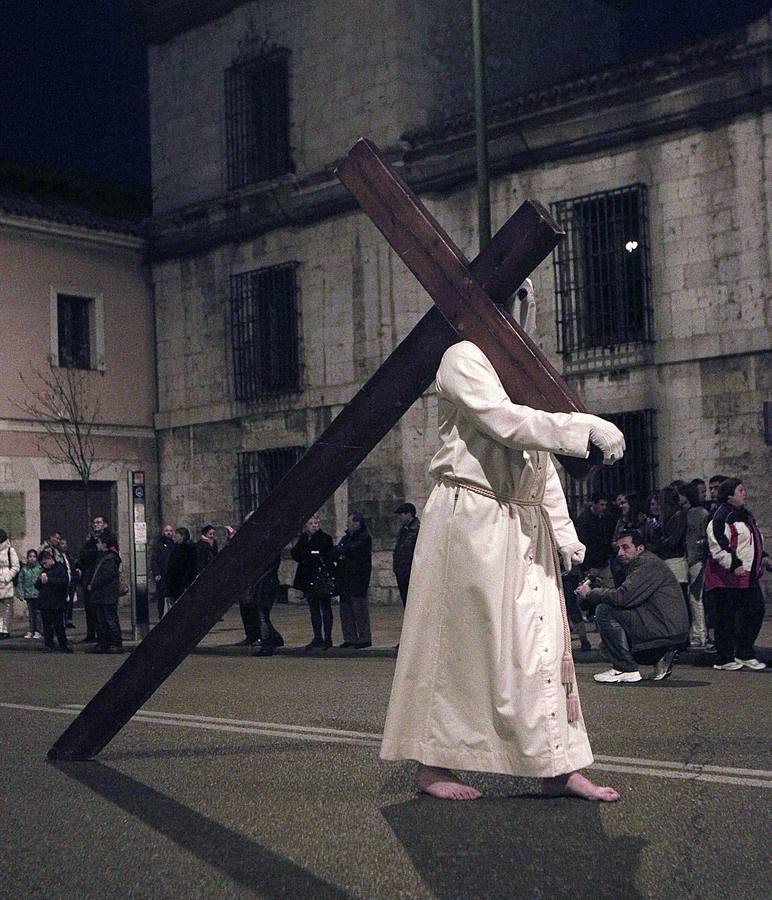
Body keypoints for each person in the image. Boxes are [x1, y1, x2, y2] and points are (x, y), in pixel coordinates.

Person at [380, 278, 626, 802]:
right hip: (472, 521)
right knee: (463, 645)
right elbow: (505, 424)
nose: (521, 310)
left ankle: (556, 766)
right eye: (513, 298)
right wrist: (581, 428)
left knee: (540, 647)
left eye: (526, 301)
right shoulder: (462, 357)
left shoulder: (519, 374)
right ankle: (432, 764)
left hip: (520, 524)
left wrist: (565, 534)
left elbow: (540, 467)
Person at [576, 530, 689, 683]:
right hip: (666, 627)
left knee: (605, 611)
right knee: (608, 633)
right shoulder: (644, 563)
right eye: (619, 548)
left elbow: (623, 597)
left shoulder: (647, 564)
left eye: (625, 547)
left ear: (640, 549)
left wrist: (591, 593)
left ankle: (625, 668)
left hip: (665, 629)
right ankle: (660, 659)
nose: (620, 553)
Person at [704, 479, 770, 671]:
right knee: (727, 617)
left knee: (755, 612)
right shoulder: (721, 516)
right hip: (726, 577)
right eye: (740, 490)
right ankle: (724, 657)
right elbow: (717, 544)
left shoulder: (746, 516)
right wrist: (734, 564)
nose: (745, 493)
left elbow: (752, 541)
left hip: (748, 575)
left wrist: (763, 558)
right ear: (730, 495)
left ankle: (744, 652)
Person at [292, 515, 336, 650]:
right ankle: (317, 637)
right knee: (313, 608)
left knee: (325, 607)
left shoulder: (325, 538)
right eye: (311, 523)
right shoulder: (304, 538)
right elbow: (296, 553)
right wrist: (309, 554)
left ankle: (327, 638)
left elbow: (322, 554)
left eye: (316, 523)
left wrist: (310, 554)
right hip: (308, 577)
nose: (314, 526)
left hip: (320, 576)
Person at [334, 512, 373, 649]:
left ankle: (364, 638)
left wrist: (342, 553)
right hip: (344, 578)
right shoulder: (346, 538)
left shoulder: (364, 538)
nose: (347, 525)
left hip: (358, 579)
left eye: (349, 522)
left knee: (359, 609)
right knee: (345, 609)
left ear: (357, 523)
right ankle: (350, 638)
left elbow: (350, 551)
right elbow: (338, 551)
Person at [678, 483, 710, 648]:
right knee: (690, 598)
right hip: (687, 558)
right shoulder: (683, 514)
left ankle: (700, 635)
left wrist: (700, 547)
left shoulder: (700, 514)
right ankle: (695, 634)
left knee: (696, 598)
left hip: (697, 559)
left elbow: (705, 536)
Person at [88, 531, 123, 653]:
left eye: (99, 543)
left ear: (104, 544)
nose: (97, 545)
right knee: (101, 621)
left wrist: (93, 585)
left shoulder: (110, 558)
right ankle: (103, 643)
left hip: (107, 594)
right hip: (101, 595)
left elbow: (106, 576)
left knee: (110, 620)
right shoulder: (103, 556)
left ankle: (115, 643)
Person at [246, 554, 285, 657]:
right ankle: (274, 638)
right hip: (267, 584)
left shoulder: (267, 557)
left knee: (262, 616)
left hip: (264, 586)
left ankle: (267, 643)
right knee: (263, 615)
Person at [79, 515, 109, 643]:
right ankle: (91, 633)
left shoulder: (107, 538)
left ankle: (102, 635)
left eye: (99, 522)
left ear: (104, 524)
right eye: (94, 522)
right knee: (89, 608)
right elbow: (83, 554)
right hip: (89, 577)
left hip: (99, 578)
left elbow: (103, 554)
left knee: (99, 609)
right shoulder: (90, 540)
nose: (96, 524)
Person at [35, 549, 72, 652]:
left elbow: (64, 582)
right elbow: (37, 586)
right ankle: (49, 645)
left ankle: (63, 645)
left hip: (57, 602)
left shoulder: (60, 568)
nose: (44, 565)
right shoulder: (43, 570)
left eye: (45, 563)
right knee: (47, 626)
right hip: (45, 602)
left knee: (59, 625)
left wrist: (49, 580)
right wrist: (40, 581)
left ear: (50, 559)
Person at [575, 494, 616, 588]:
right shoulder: (584, 520)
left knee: (608, 588)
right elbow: (585, 542)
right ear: (594, 504)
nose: (604, 508)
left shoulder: (603, 518)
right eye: (601, 505)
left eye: (605, 505)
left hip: (602, 562)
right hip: (591, 564)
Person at [164, 527, 198, 613]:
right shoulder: (176, 547)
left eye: (177, 535)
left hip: (181, 581)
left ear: (182, 536)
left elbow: (189, 566)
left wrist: (186, 581)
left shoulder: (187, 548)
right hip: (175, 581)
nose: (175, 536)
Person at [392, 502, 420, 607]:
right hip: (402, 571)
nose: (400, 517)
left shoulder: (417, 530)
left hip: (410, 571)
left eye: (401, 514)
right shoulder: (403, 530)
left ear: (409, 514)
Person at [151, 524, 175, 620]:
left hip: (171, 575)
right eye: (166, 531)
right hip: (162, 574)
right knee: (161, 595)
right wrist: (156, 573)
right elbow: (154, 560)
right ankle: (162, 615)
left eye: (170, 531)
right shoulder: (159, 545)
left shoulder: (173, 544)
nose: (169, 532)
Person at [18, 549, 43, 639]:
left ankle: (38, 630)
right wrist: (20, 593)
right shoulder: (24, 570)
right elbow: (20, 581)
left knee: (38, 613)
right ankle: (31, 630)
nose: (32, 559)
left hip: (37, 594)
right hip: (28, 594)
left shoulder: (39, 569)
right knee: (31, 614)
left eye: (34, 556)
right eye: (30, 557)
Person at [0, 528, 20, 639]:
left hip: (6, 583)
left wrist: (7, 578)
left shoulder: (10, 550)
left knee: (6, 608)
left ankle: (5, 630)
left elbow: (16, 566)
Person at [58, 538, 79, 628]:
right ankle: (62, 620)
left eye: (65, 543)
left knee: (70, 602)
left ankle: (69, 620)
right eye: (62, 543)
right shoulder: (58, 556)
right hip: (64, 581)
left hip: (71, 581)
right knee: (64, 602)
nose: (64, 545)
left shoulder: (69, 555)